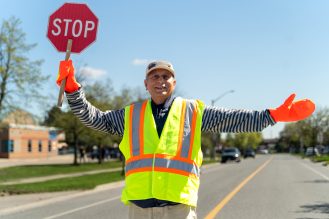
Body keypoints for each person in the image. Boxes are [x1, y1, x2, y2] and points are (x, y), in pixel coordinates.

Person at [56, 59, 315, 219]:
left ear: (174, 82)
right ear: (145, 84)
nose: (160, 80)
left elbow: (235, 119)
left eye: (166, 76)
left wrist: (273, 115)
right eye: (154, 77)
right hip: (139, 209)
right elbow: (95, 119)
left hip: (179, 209)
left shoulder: (193, 111)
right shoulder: (130, 115)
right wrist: (73, 90)